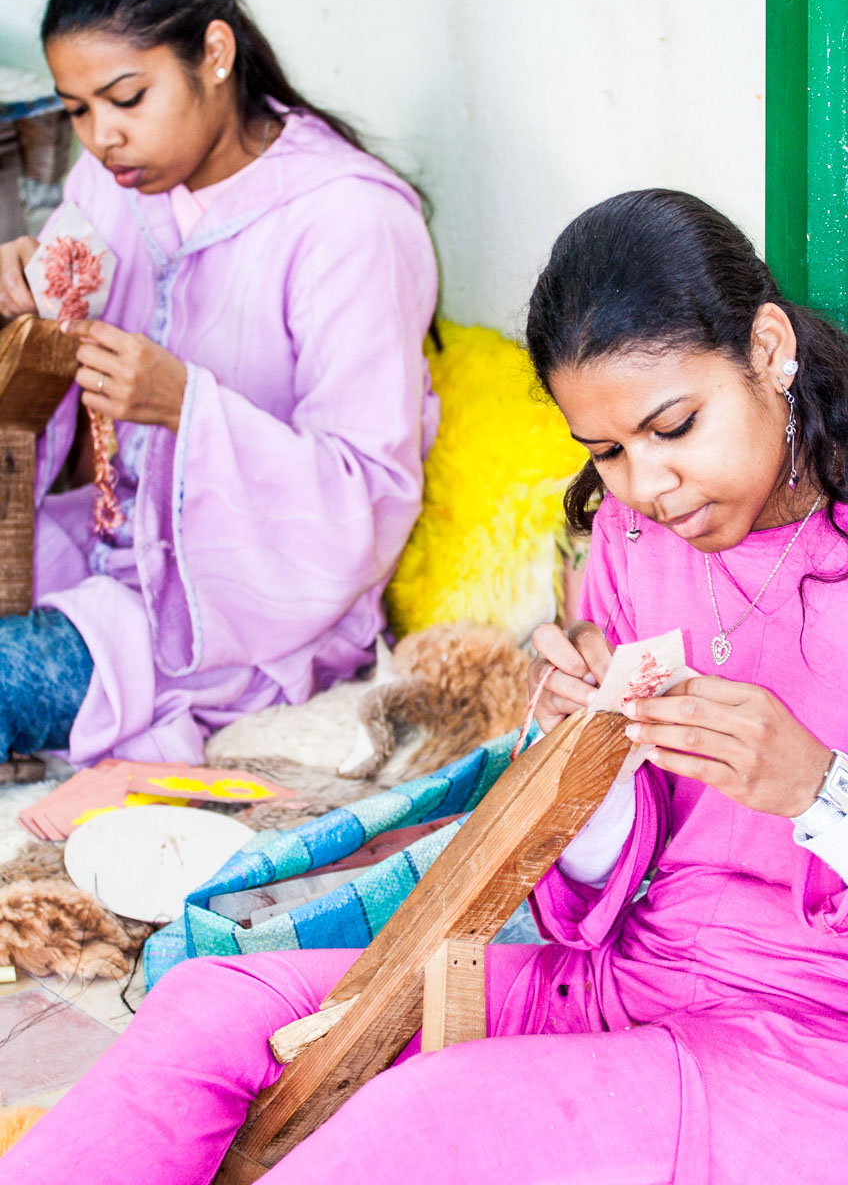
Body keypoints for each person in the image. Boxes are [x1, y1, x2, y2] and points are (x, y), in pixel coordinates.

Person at [5, 187, 848, 1185]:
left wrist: (814, 788)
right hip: (633, 973)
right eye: (607, 453)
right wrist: (578, 757)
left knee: (424, 1120)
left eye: (675, 426)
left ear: (765, 349)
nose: (648, 485)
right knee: (212, 1009)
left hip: (805, 1044)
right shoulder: (631, 540)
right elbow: (604, 881)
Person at [0, 0, 438, 768]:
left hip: (234, 628)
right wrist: (22, 297)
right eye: (78, 109)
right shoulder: (113, 180)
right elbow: (50, 364)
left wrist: (185, 406)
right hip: (93, 553)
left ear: (214, 54)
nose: (100, 139)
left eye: (127, 99)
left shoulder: (349, 223)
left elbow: (370, 499)